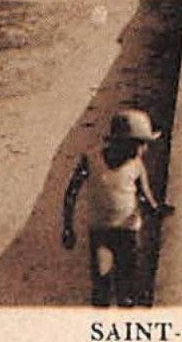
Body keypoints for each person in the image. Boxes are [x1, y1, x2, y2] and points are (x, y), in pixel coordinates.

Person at [63, 109, 172, 309]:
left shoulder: (137, 166)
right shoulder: (91, 160)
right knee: (101, 284)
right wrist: (68, 227)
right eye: (140, 144)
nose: (144, 149)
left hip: (128, 232)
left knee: (126, 287)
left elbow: (145, 197)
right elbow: (71, 192)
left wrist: (157, 210)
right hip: (101, 232)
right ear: (122, 143)